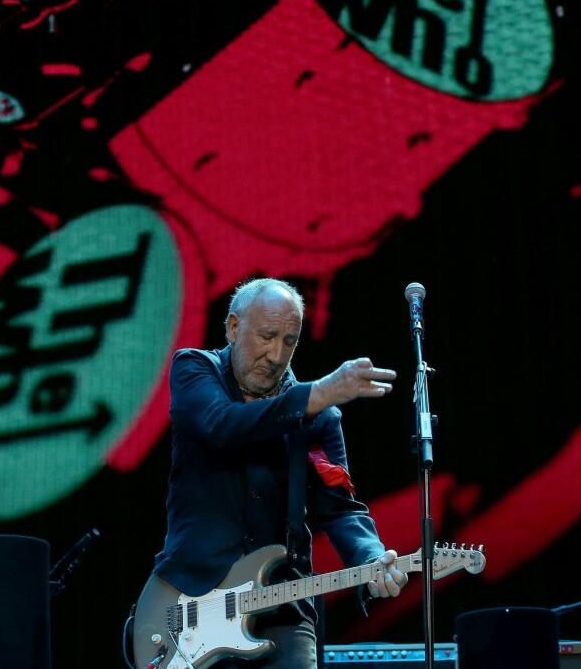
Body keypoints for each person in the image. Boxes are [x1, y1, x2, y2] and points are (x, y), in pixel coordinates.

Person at [153, 278, 408, 668]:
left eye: (289, 341)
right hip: (189, 601)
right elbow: (222, 425)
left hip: (281, 609)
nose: (276, 354)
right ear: (233, 328)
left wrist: (371, 558)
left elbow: (339, 508)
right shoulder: (194, 369)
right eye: (268, 336)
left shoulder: (319, 416)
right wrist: (317, 395)